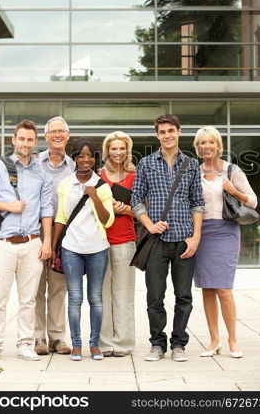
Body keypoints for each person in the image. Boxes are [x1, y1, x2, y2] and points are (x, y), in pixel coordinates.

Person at [0, 119, 53, 361]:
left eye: (30, 140)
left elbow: (47, 210)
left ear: (35, 141)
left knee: (28, 300)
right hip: (4, 243)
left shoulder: (42, 171)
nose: (26, 143)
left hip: (32, 243)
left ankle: (25, 344)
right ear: (13, 140)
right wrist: (8, 205)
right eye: (22, 139)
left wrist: (47, 241)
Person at [131, 114, 204, 362]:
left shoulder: (191, 164)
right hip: (157, 242)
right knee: (155, 295)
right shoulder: (147, 163)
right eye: (162, 132)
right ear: (157, 135)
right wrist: (149, 224)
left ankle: (179, 344)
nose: (167, 135)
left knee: (184, 295)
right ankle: (157, 344)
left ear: (179, 132)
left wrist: (195, 238)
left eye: (171, 130)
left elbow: (197, 203)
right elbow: (136, 200)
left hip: (184, 239)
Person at [193, 126, 257, 359]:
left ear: (218, 145)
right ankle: (213, 340)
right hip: (202, 232)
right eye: (202, 143)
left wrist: (233, 191)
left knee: (223, 288)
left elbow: (253, 201)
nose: (206, 146)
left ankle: (232, 339)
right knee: (207, 288)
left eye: (211, 142)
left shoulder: (233, 170)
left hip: (226, 231)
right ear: (197, 147)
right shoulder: (195, 171)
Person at [51, 138, 114, 361]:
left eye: (89, 155)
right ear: (74, 158)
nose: (85, 159)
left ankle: (94, 345)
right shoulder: (65, 184)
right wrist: (54, 247)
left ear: (95, 158)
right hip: (71, 248)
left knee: (95, 298)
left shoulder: (102, 185)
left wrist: (95, 196)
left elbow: (108, 221)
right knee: (75, 298)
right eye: (80, 155)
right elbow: (61, 217)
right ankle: (76, 345)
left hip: (97, 248)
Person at [34, 116, 75, 356]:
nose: (57, 135)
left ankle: (57, 337)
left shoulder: (74, 166)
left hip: (64, 234)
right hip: (36, 232)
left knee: (59, 287)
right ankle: (39, 336)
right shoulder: (33, 163)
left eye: (61, 131)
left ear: (67, 135)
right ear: (46, 136)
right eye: (52, 132)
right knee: (36, 288)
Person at [99, 131, 136, 357]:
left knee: (123, 294)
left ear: (127, 150)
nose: (118, 153)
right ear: (107, 150)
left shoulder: (135, 175)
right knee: (101, 294)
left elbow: (145, 209)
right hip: (100, 242)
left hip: (125, 240)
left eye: (122, 148)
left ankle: (122, 343)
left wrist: (127, 209)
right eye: (114, 148)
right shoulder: (98, 175)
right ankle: (104, 343)